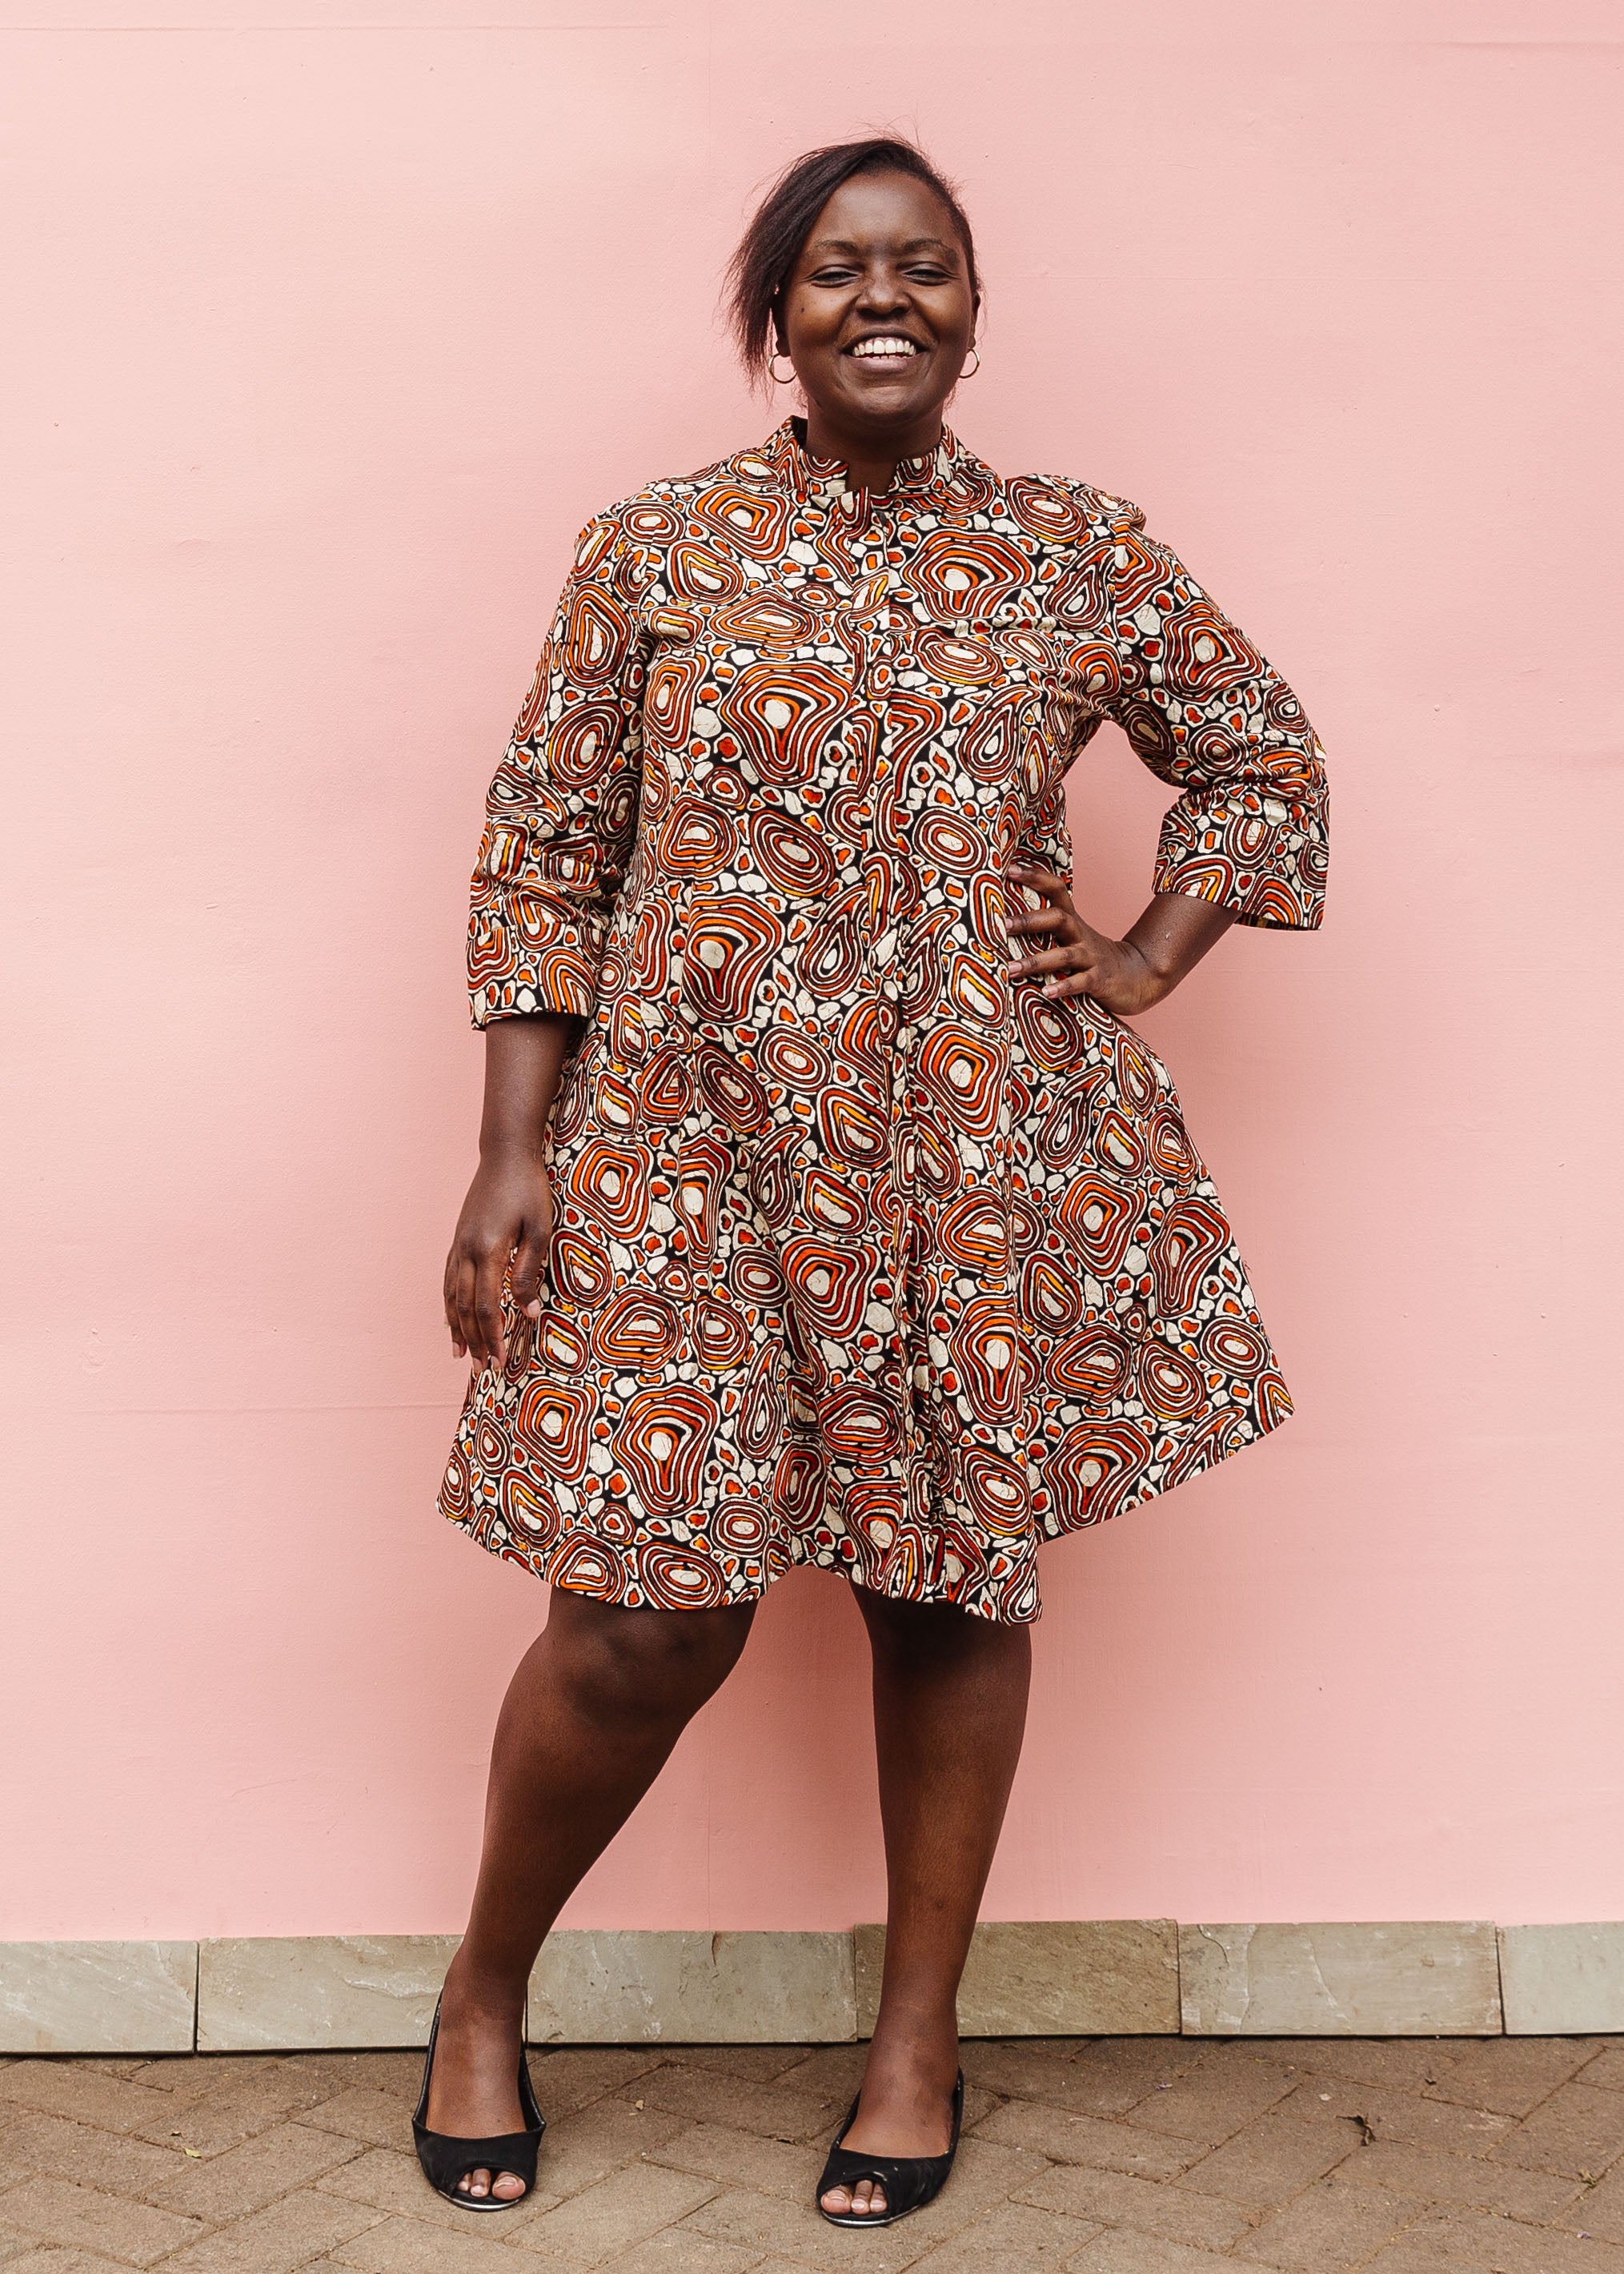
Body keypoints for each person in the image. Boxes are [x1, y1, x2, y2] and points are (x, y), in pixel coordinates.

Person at [415, 135, 1329, 2226]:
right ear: (778, 316)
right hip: (689, 1143)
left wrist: (1138, 957)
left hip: (968, 1152)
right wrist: (507, 1153)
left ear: (979, 308)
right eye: (838, 270)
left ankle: (916, 2041)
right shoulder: (654, 551)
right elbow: (549, 851)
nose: (884, 296)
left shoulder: (1075, 550)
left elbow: (1263, 757)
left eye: (926, 265)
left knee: (949, 1582)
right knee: (642, 1614)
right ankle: (482, 1991)